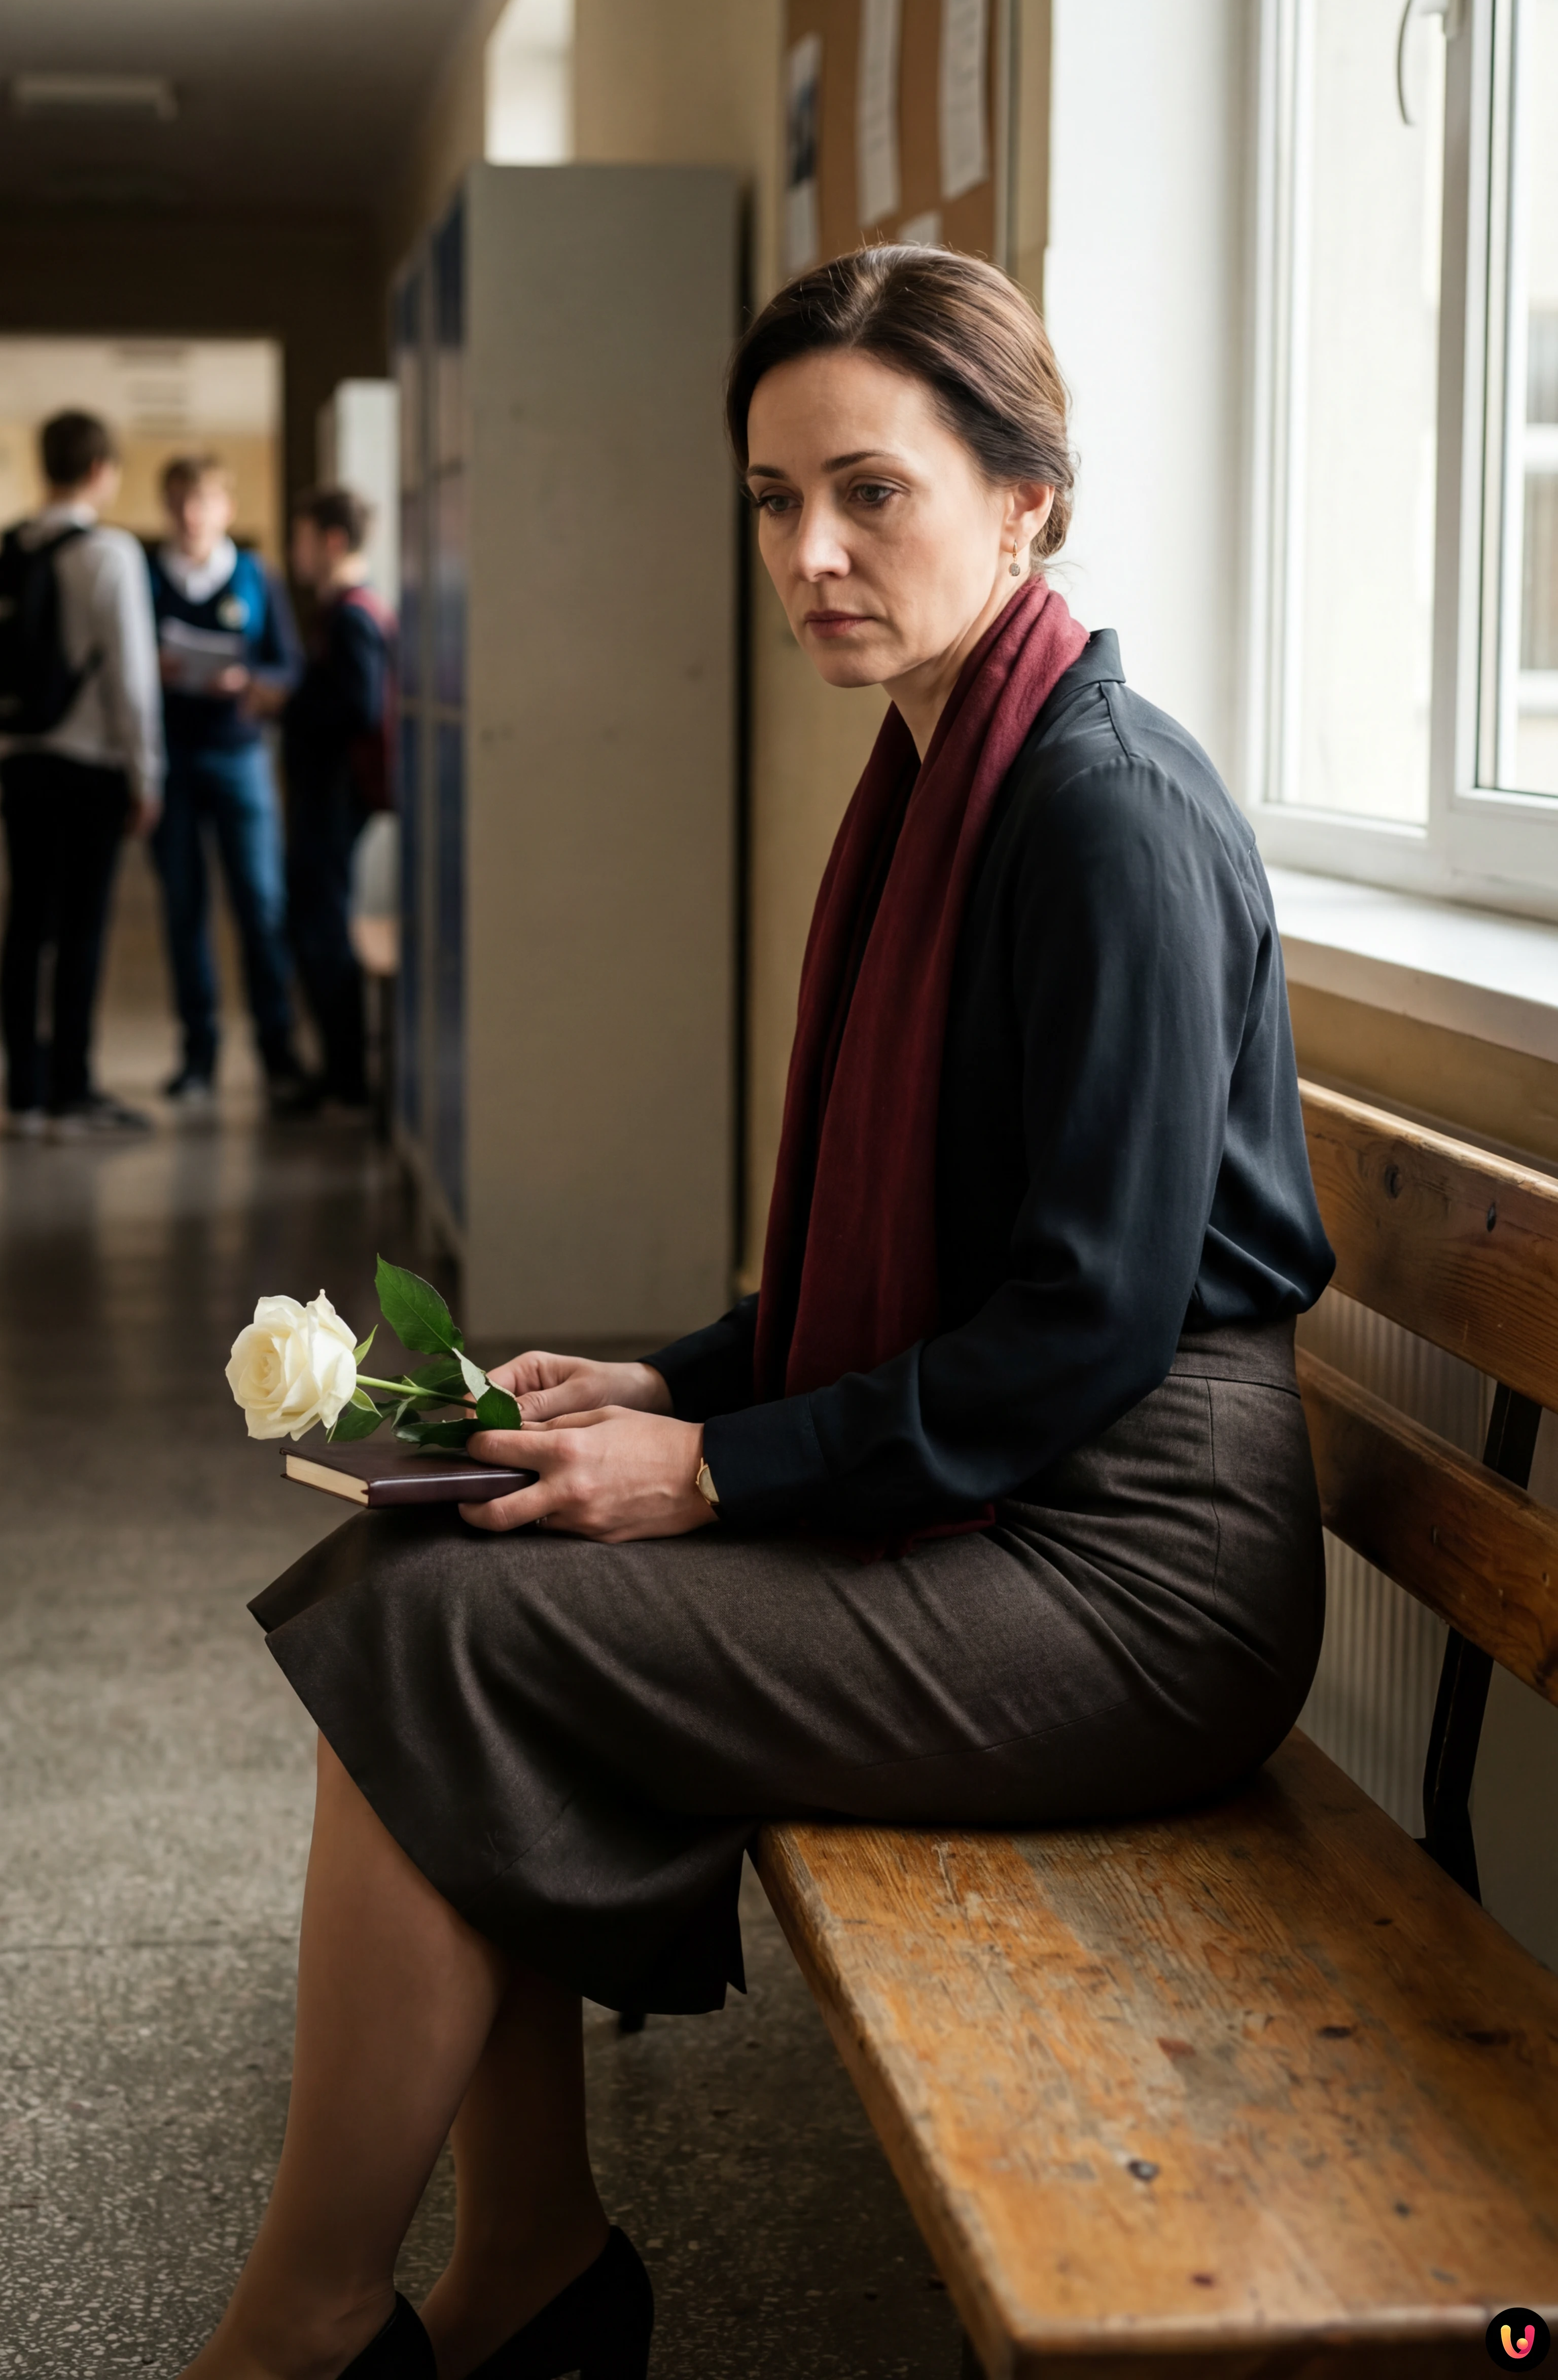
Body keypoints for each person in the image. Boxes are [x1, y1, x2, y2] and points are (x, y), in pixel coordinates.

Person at [188, 250, 1334, 2380]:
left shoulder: (1098, 807)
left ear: (1027, 499)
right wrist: (669, 1378)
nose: (809, 550)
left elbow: (1080, 1321)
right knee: (446, 1549)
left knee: (456, 1620)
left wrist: (714, 1461)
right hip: (1007, 1490)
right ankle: (519, 2259)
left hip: (1129, 1572)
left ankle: (316, 2323)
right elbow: (926, 1269)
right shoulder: (942, 770)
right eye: (771, 497)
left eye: (869, 491)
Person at [0, 408, 163, 1139]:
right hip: (90, 762)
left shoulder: (11, 548)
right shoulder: (110, 553)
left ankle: (22, 1093)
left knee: (24, 923)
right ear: (101, 471)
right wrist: (146, 774)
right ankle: (72, 1090)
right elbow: (132, 678)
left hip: (20, 758)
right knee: (83, 929)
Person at [148, 455, 309, 1110]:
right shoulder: (146, 577)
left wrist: (250, 683)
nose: (192, 514)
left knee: (260, 906)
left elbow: (288, 665)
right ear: (168, 507)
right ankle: (198, 1055)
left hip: (239, 757)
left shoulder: (254, 577)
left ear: (226, 510)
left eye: (203, 501)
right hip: (172, 760)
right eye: (181, 501)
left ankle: (278, 1052)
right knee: (183, 911)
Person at [282, 486, 395, 1112]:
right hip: (331, 796)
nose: (296, 553)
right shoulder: (346, 610)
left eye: (301, 538)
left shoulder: (353, 614)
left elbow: (359, 704)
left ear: (330, 539)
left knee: (324, 928)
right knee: (319, 924)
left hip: (336, 796)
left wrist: (289, 705)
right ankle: (340, 1071)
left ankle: (345, 1076)